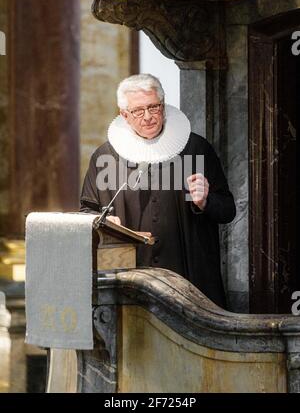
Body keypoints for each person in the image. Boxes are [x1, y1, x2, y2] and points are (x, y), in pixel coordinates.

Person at [80, 74, 236, 308]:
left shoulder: (196, 149)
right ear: (124, 115)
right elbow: (85, 213)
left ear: (163, 105)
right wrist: (102, 223)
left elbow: (228, 211)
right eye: (138, 111)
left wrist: (206, 201)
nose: (148, 117)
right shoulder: (104, 157)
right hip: (128, 279)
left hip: (190, 281)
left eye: (153, 107)